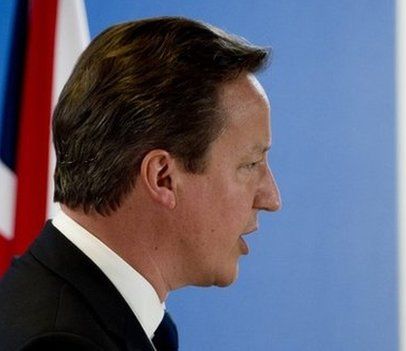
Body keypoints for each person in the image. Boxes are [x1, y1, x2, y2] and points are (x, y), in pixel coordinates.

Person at [0, 17, 281, 350]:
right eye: (250, 164)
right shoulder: (59, 342)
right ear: (163, 177)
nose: (271, 198)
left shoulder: (130, 320)